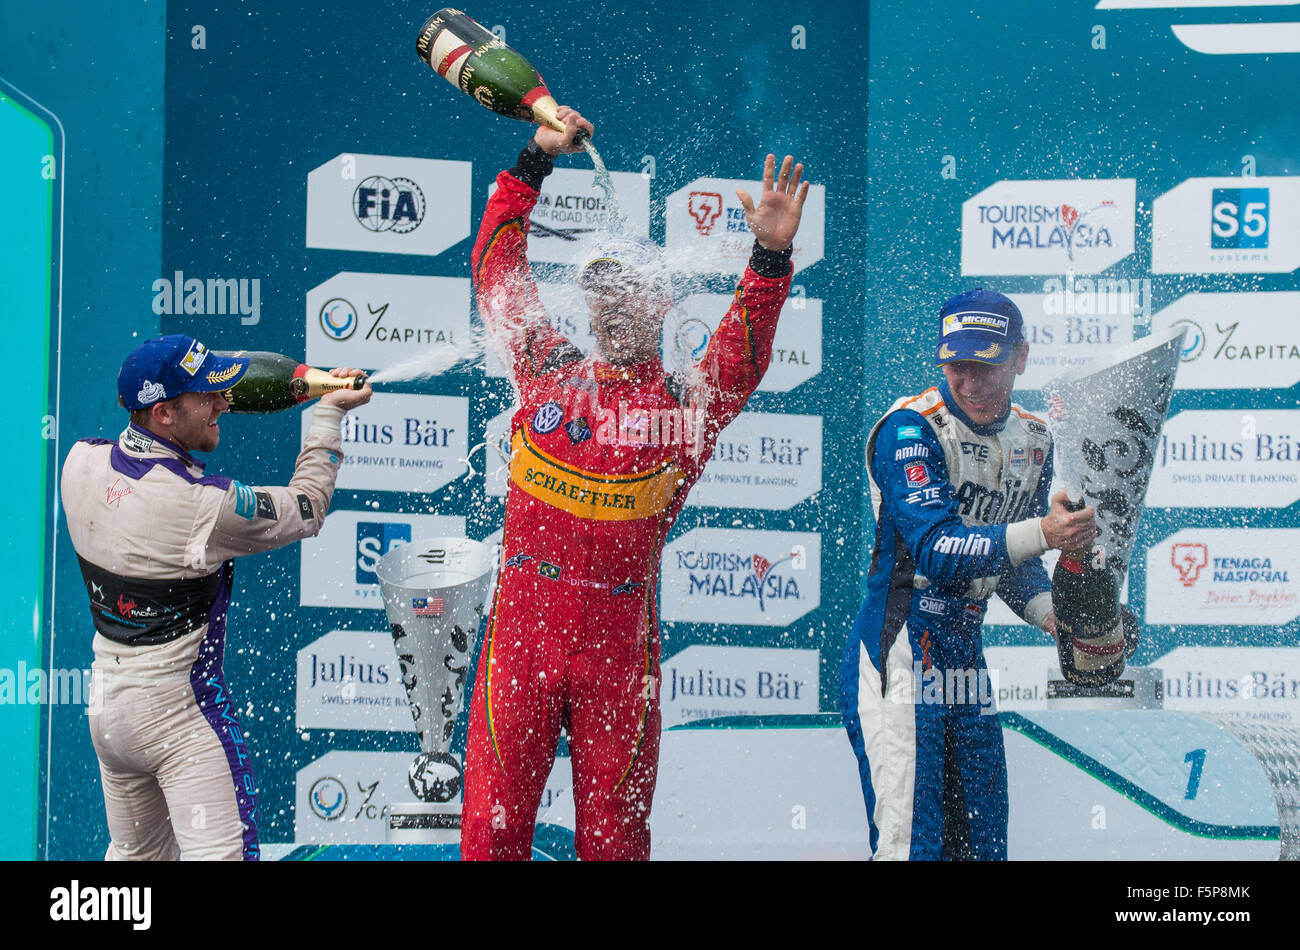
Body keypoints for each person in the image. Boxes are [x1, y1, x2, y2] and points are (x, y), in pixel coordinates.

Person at [462, 106, 811, 860]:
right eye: (602, 292)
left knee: (616, 845)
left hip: (620, 654)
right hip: (521, 637)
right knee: (491, 835)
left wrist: (770, 259)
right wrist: (531, 164)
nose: (615, 304)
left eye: (631, 293)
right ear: (587, 303)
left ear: (661, 302)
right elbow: (498, 270)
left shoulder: (688, 405)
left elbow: (744, 352)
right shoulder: (543, 367)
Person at [61, 334, 372, 860]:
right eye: (209, 395)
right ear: (163, 412)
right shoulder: (202, 506)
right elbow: (307, 506)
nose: (224, 403)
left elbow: (161, 455)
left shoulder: (79, 463)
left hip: (109, 718)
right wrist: (330, 415)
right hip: (179, 722)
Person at [839, 289, 1097, 861]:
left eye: (987, 366)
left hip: (963, 652)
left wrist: (1056, 618)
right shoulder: (910, 428)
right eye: (958, 367)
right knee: (914, 848)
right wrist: (1047, 534)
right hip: (900, 649)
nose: (972, 384)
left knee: (981, 849)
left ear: (1021, 357)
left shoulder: (1034, 440)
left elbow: (1010, 562)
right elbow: (938, 550)